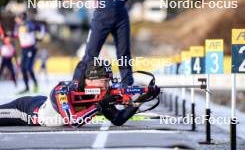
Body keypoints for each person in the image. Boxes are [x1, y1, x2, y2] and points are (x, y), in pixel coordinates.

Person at [0, 60, 156, 127]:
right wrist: (100, 105)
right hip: (24, 111)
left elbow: (118, 119)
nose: (108, 85)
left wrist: (140, 100)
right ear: (91, 80)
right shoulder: (63, 90)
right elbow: (73, 121)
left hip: (41, 103)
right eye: (105, 81)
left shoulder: (100, 94)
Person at [73, 0, 142, 86]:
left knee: (124, 54)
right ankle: (75, 85)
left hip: (121, 14)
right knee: (91, 54)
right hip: (102, 13)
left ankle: (127, 87)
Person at [14, 13, 46, 94]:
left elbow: (41, 27)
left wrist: (41, 36)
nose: (15, 20)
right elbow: (15, 35)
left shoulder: (29, 24)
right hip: (24, 49)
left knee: (28, 68)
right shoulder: (17, 26)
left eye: (17, 18)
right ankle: (27, 87)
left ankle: (35, 85)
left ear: (21, 18)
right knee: (22, 68)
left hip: (31, 49)